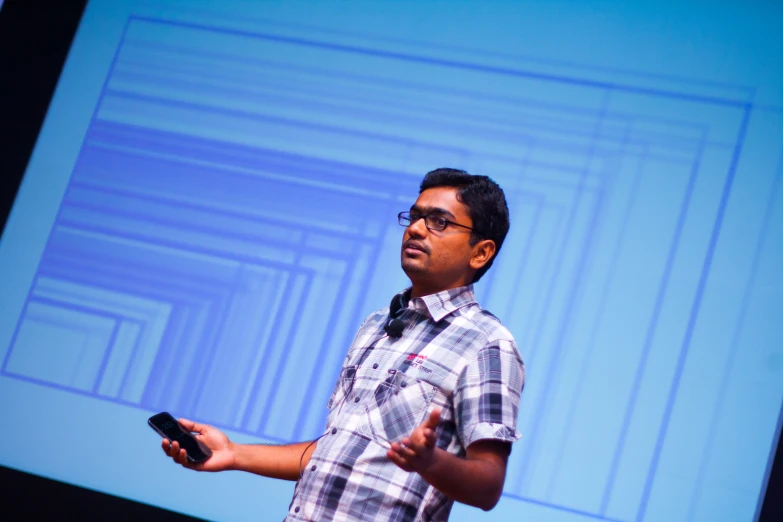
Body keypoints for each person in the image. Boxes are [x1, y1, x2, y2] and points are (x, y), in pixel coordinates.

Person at [161, 168, 526, 521]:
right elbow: (336, 451)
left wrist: (430, 461)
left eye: (439, 221)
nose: (415, 229)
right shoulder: (376, 325)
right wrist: (235, 454)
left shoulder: (487, 344)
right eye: (414, 217)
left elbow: (488, 485)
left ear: (481, 252)